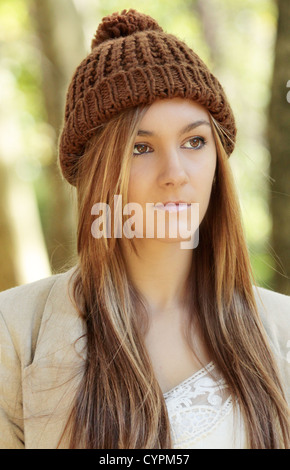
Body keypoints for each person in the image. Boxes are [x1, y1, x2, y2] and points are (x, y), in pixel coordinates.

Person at [0, 9, 289, 450]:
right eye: (141, 147)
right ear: (97, 170)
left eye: (194, 142)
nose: (175, 173)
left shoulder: (282, 328)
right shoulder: (14, 331)